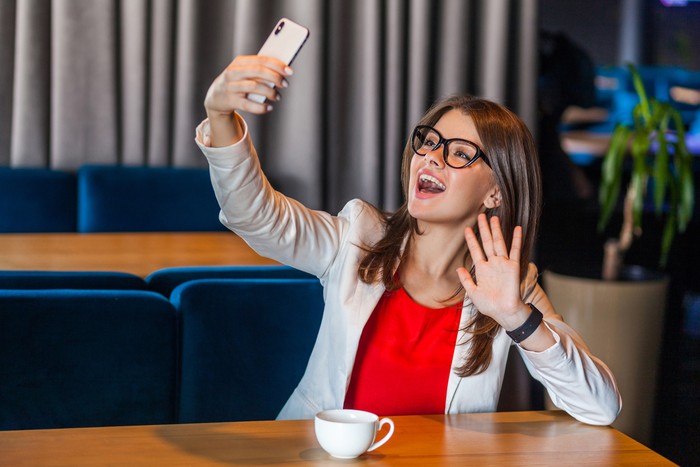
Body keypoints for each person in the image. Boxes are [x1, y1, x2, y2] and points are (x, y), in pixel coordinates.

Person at [196, 55, 621, 425]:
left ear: (496, 191)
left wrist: (517, 318)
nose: (432, 156)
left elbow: (600, 408)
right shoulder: (357, 236)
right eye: (430, 142)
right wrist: (219, 115)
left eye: (459, 152)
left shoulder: (513, 287)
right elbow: (254, 216)